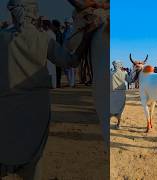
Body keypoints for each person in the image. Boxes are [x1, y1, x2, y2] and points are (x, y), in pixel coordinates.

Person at [0, 0, 96, 178]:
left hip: (5, 106)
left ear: (13, 13)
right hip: (37, 109)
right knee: (34, 157)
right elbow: (71, 61)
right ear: (33, 14)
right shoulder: (43, 39)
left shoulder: (2, 37)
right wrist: (88, 36)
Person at [110, 61, 131, 129]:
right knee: (120, 109)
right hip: (121, 93)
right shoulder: (124, 73)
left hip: (112, 93)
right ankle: (118, 125)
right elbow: (130, 80)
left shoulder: (110, 73)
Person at [43, 17, 57, 89]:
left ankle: (51, 85)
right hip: (50, 54)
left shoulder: (48, 34)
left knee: (50, 70)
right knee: (51, 70)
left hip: (49, 54)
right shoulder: (51, 33)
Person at [63, 17, 76, 88]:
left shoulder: (72, 31)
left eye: (66, 23)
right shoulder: (66, 31)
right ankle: (70, 82)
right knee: (67, 68)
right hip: (66, 51)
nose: (66, 24)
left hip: (70, 51)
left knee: (70, 68)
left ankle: (71, 83)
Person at [52, 19, 63, 88]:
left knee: (57, 70)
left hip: (57, 53)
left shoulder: (57, 33)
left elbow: (58, 44)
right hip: (58, 53)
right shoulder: (58, 33)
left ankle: (57, 83)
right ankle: (57, 83)